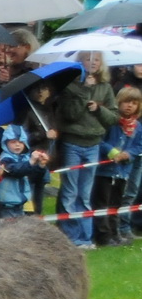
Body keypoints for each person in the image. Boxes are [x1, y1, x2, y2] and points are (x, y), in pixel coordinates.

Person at [53, 51, 119, 249]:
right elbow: (70, 114)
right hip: (72, 143)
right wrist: (84, 92)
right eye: (88, 58)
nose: (93, 62)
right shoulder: (70, 86)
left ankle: (85, 237)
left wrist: (99, 109)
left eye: (97, 59)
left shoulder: (106, 88)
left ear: (101, 64)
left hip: (93, 144)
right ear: (80, 62)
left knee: (85, 193)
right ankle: (69, 237)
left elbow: (113, 118)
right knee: (70, 191)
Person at [96, 86, 142, 245]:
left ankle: (115, 233)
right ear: (118, 102)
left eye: (134, 103)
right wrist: (112, 152)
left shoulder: (138, 127)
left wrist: (128, 154)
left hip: (123, 172)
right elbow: (100, 141)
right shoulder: (111, 123)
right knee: (102, 203)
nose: (129, 106)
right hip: (105, 172)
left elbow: (138, 146)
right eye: (126, 102)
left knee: (117, 204)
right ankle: (103, 236)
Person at [0, 125, 41, 219]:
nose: (17, 145)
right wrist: (30, 162)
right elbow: (16, 170)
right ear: (6, 143)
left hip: (20, 204)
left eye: (21, 142)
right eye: (13, 142)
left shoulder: (25, 157)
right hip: (6, 205)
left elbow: (35, 176)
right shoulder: (5, 159)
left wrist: (41, 165)